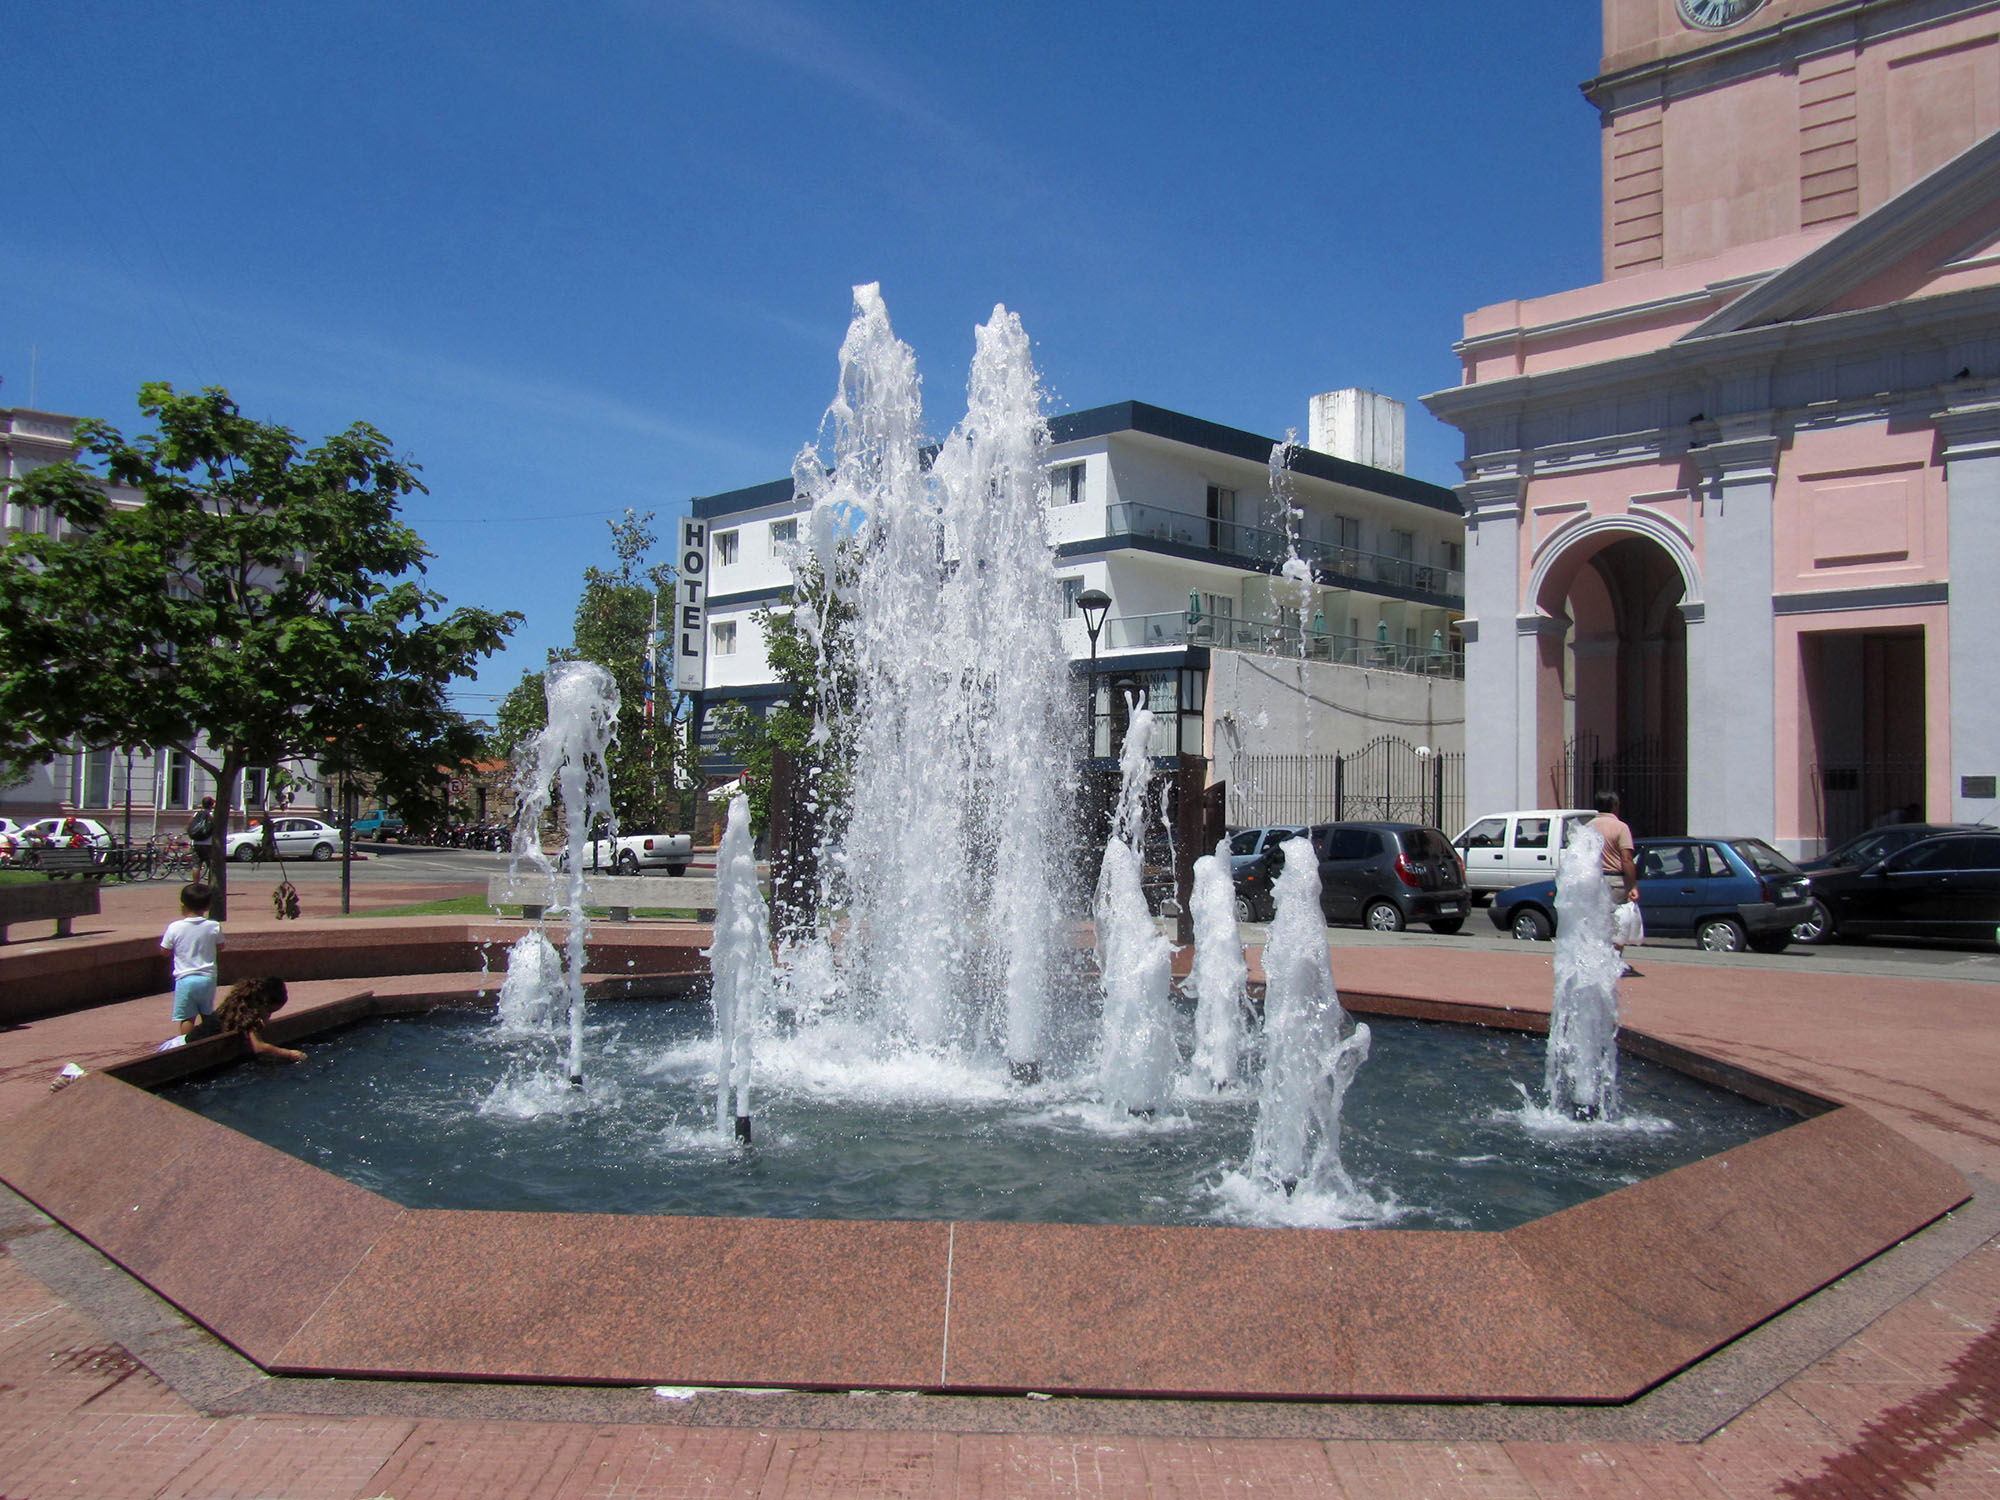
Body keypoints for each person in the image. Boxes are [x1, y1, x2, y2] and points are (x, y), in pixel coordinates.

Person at [1590, 791, 1642, 978]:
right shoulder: (1620, 827)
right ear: (1614, 806)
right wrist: (1633, 885)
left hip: (1594, 881)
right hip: (1615, 880)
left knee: (1597, 922)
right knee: (1617, 922)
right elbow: (1627, 859)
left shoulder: (1588, 827)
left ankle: (1597, 962)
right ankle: (1613, 961)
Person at [160, 882, 223, 1035]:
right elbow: (220, 946)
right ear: (208, 906)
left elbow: (164, 950)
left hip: (185, 978)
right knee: (207, 1013)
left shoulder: (175, 927)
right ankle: (212, 1040)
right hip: (207, 977)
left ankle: (186, 1047)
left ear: (183, 904)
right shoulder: (214, 925)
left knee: (187, 1017)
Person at [201, 976, 304, 1062]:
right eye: (269, 1011)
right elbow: (259, 1048)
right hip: (192, 1046)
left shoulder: (238, 1006)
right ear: (262, 1004)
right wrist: (289, 1054)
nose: (268, 1016)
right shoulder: (248, 1015)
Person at [186, 795, 217, 869]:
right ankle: (211, 880)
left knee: (196, 866)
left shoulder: (196, 814)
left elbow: (188, 826)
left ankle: (196, 881)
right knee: (211, 865)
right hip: (208, 843)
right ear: (211, 805)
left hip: (196, 843)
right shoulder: (212, 815)